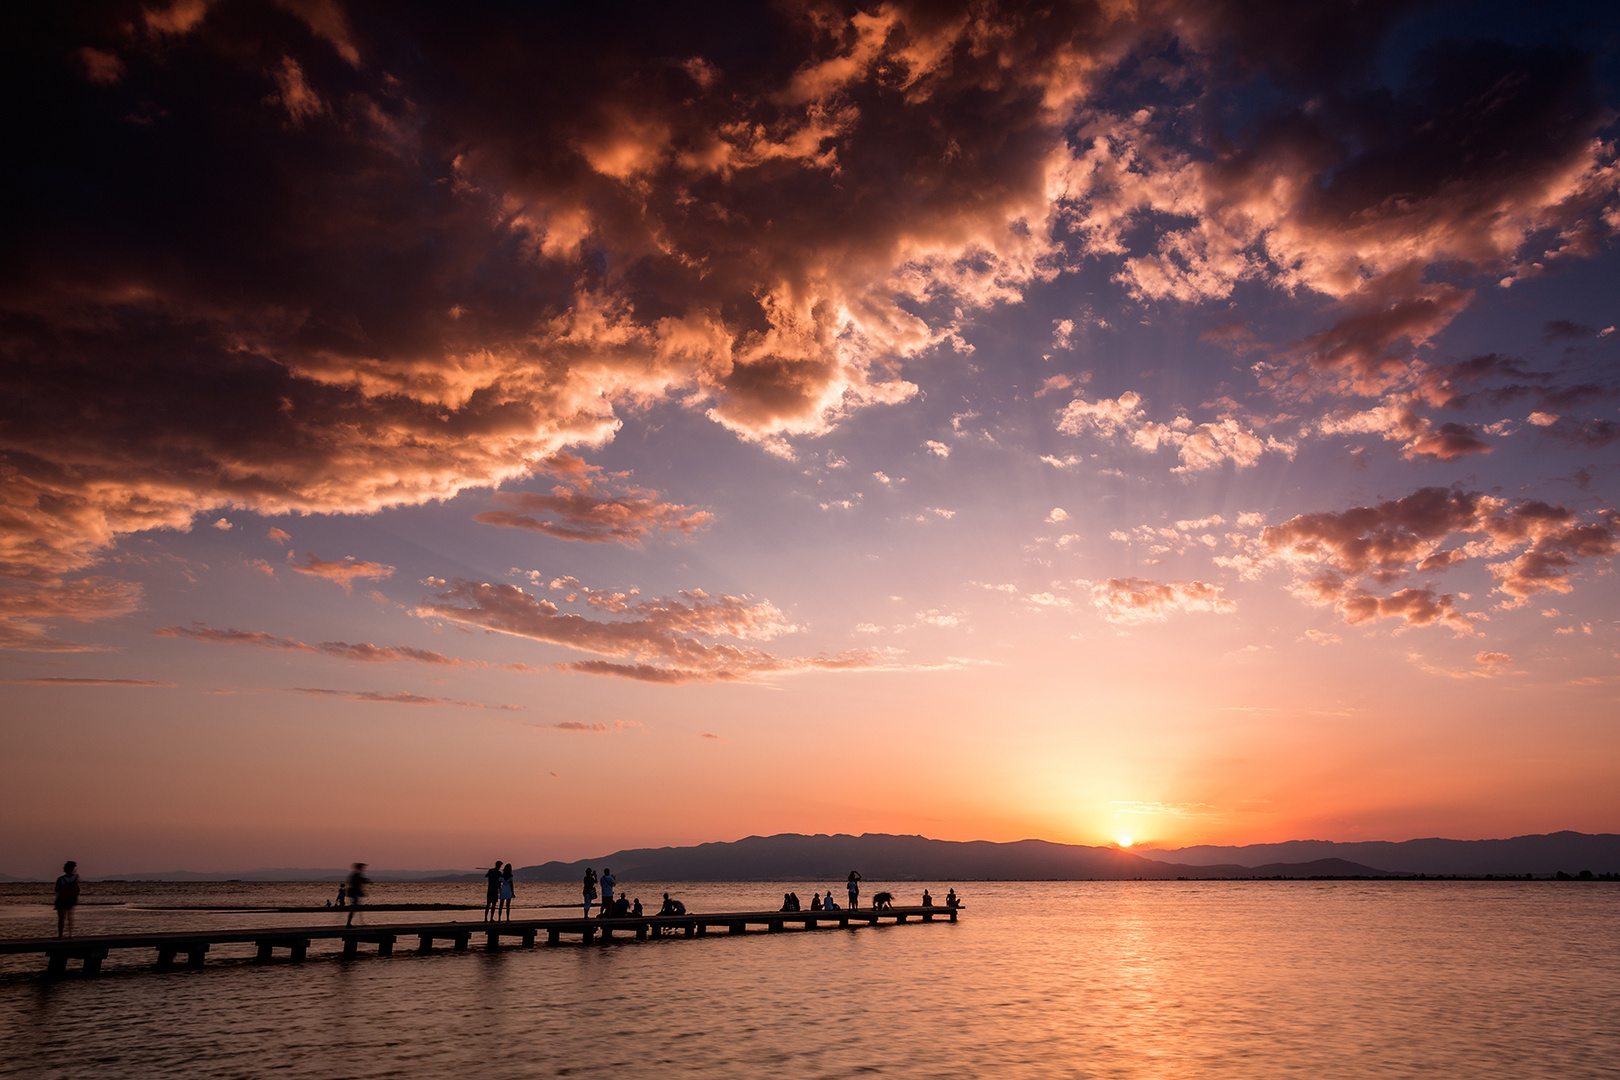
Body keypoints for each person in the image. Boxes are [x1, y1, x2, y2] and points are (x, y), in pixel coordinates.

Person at [54, 861, 80, 938]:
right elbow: (78, 888)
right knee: (70, 917)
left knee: (61, 918)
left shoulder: (61, 879)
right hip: (71, 899)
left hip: (61, 899)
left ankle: (60, 935)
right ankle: (70, 934)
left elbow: (57, 889)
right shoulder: (76, 877)